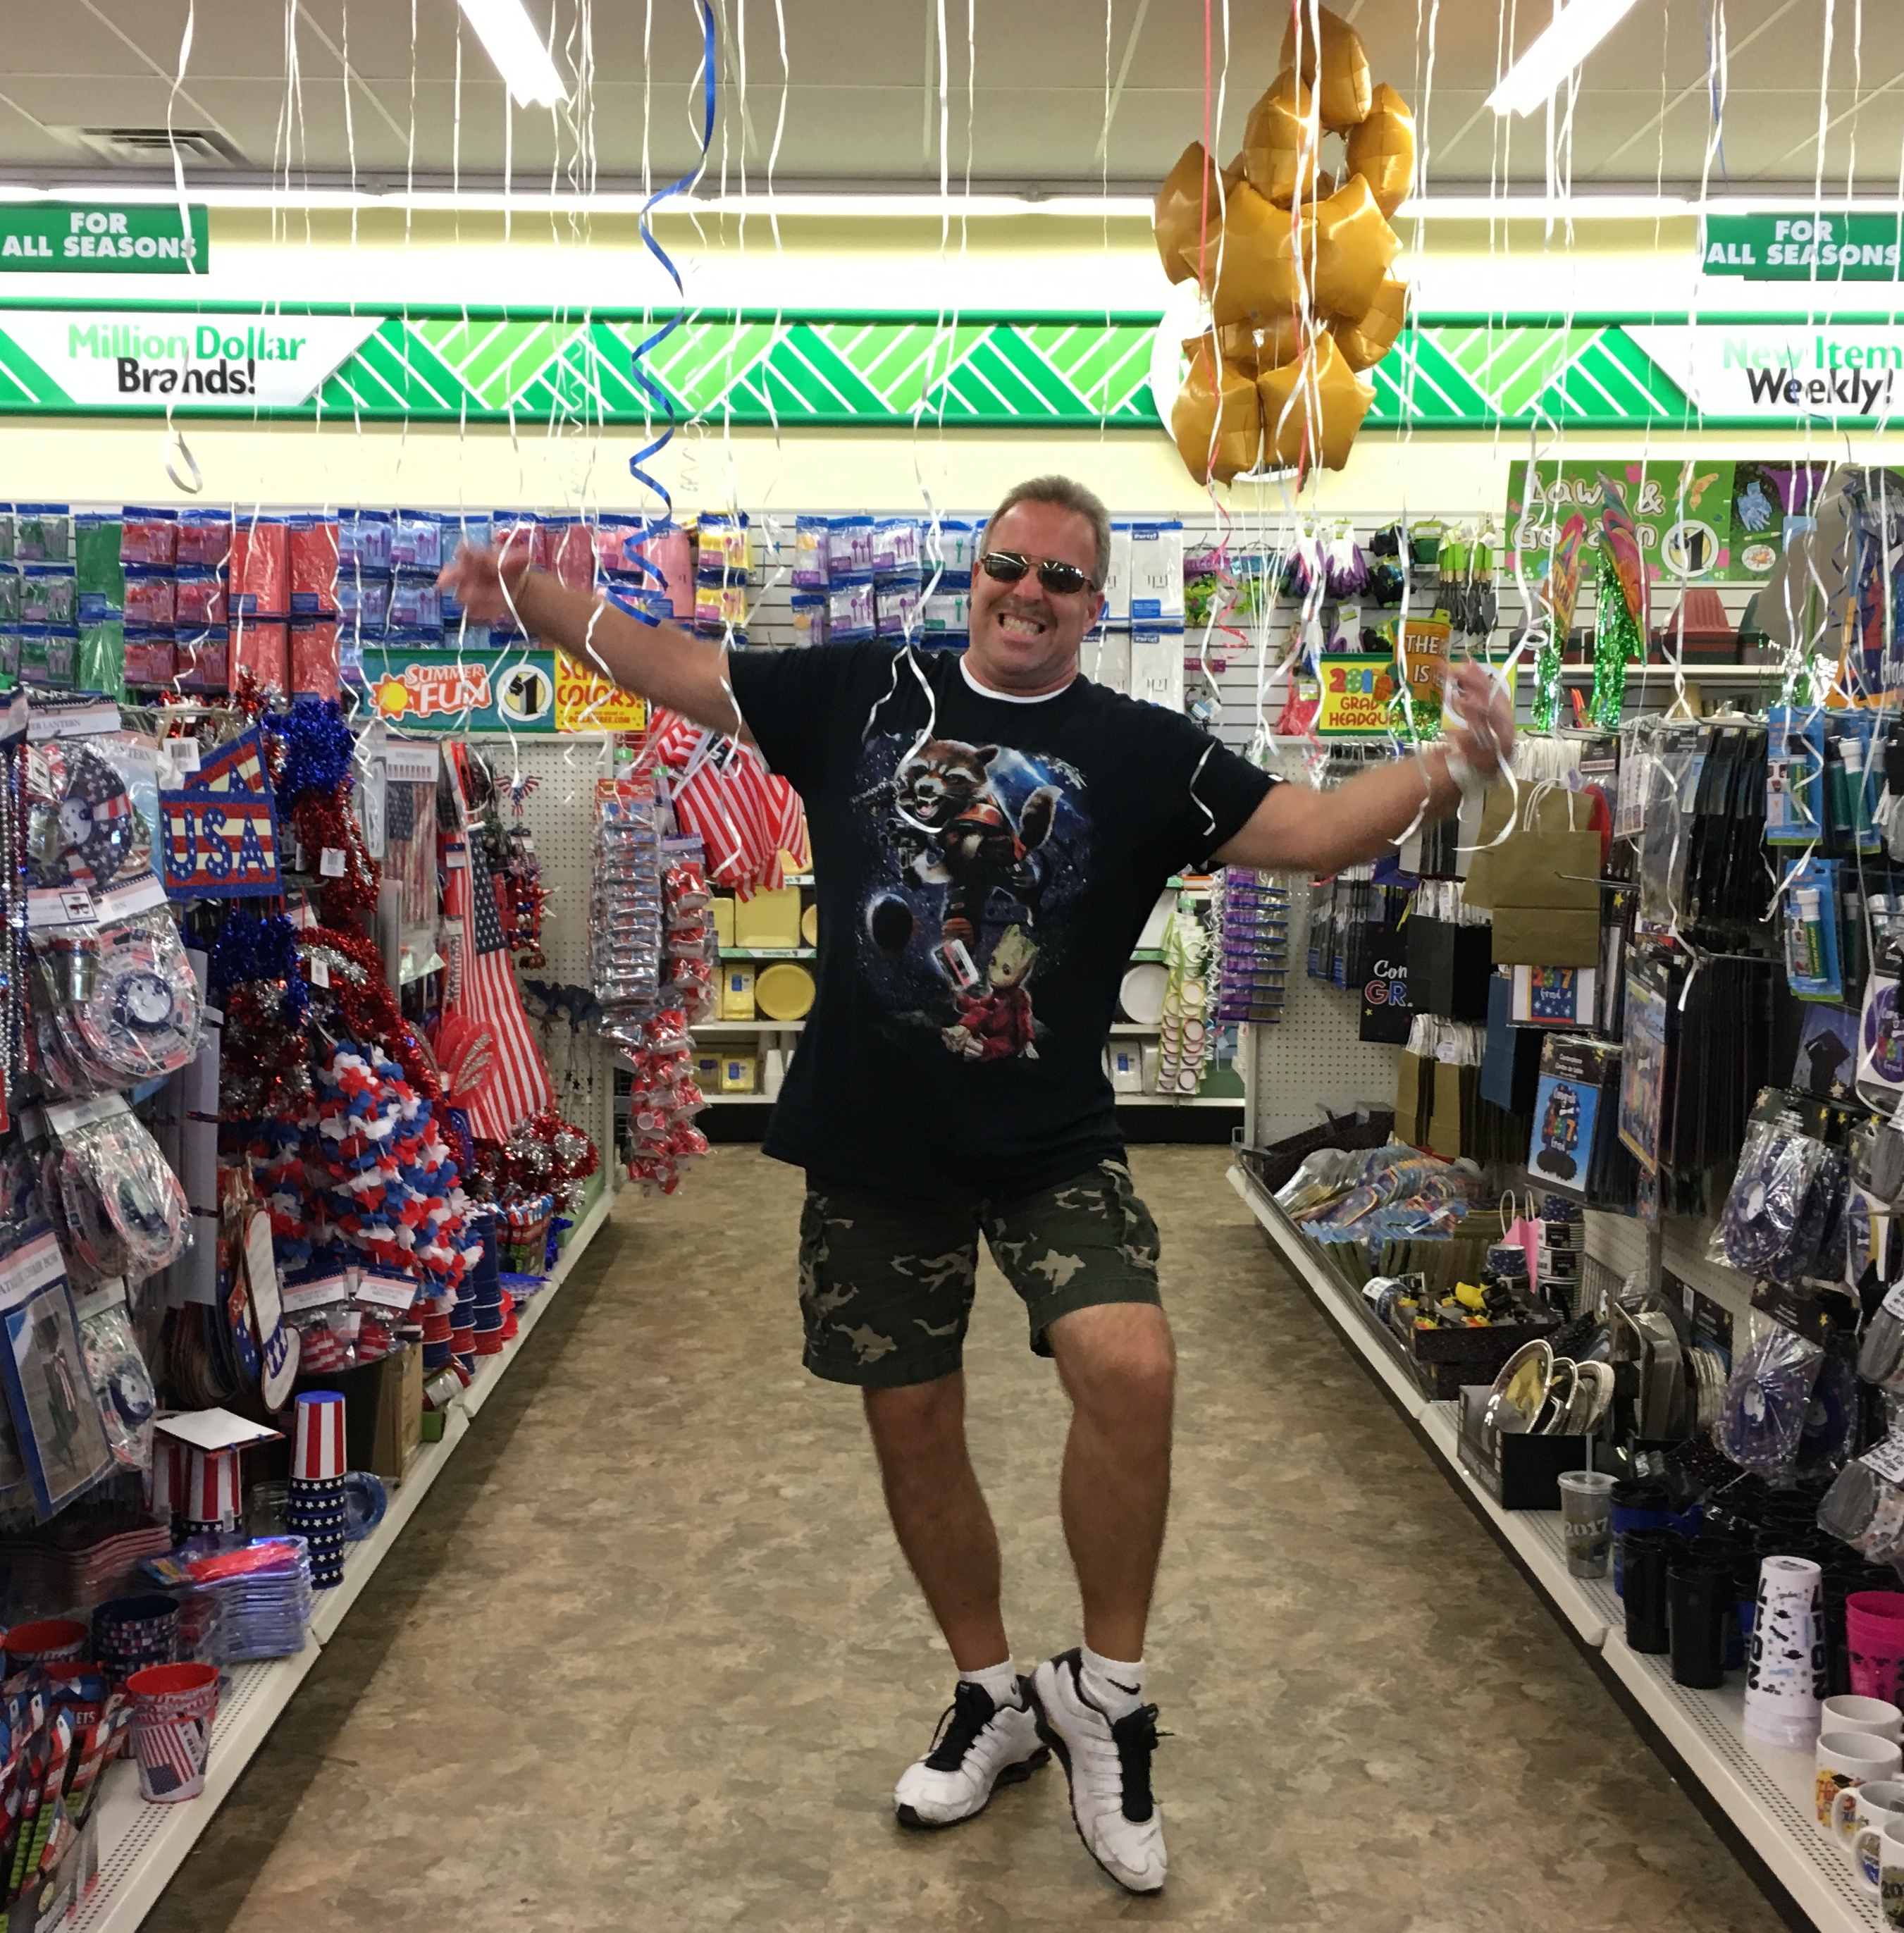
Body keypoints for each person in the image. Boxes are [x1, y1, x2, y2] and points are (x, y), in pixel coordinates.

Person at [440, 478, 1512, 1896]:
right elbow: (669, 664)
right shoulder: (858, 691)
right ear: (976, 572)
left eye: (1060, 578)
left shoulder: (1139, 750)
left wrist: (1451, 765)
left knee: (1130, 1364)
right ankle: (992, 1694)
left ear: (1092, 603)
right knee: (912, 1423)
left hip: (1049, 1141)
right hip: (874, 1145)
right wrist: (529, 595)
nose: (1028, 592)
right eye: (1009, 563)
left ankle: (1103, 1697)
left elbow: (1311, 831)